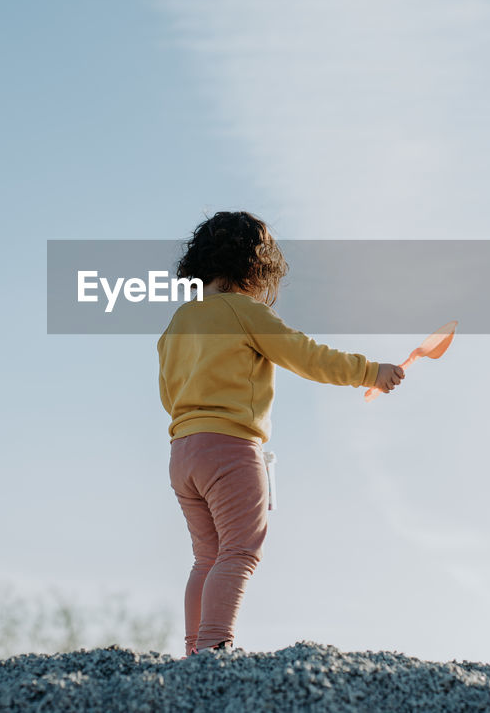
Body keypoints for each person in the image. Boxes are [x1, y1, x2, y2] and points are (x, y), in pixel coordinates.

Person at [156, 211, 404, 656]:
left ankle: (195, 651)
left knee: (206, 558)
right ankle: (215, 648)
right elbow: (305, 355)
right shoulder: (244, 311)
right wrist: (371, 372)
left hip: (182, 452)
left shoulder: (179, 322)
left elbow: (167, 390)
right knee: (241, 550)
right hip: (230, 449)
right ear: (258, 267)